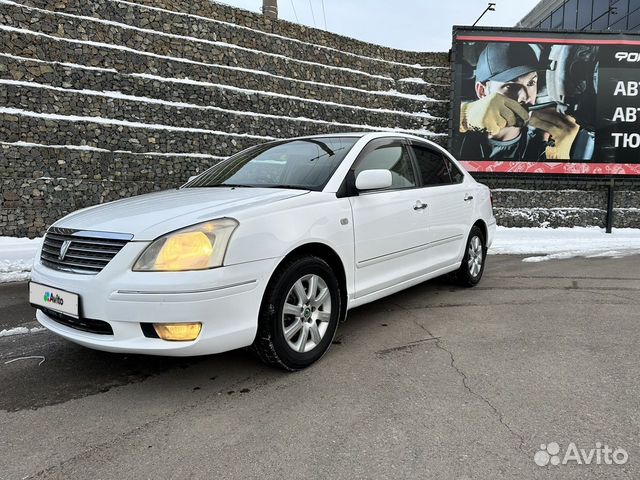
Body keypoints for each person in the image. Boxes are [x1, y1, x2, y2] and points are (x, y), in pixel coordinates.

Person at [457, 42, 583, 161]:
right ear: (482, 91)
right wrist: (464, 116)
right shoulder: (461, 133)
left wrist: (558, 162)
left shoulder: (547, 140)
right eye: (510, 87)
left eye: (531, 83)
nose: (526, 96)